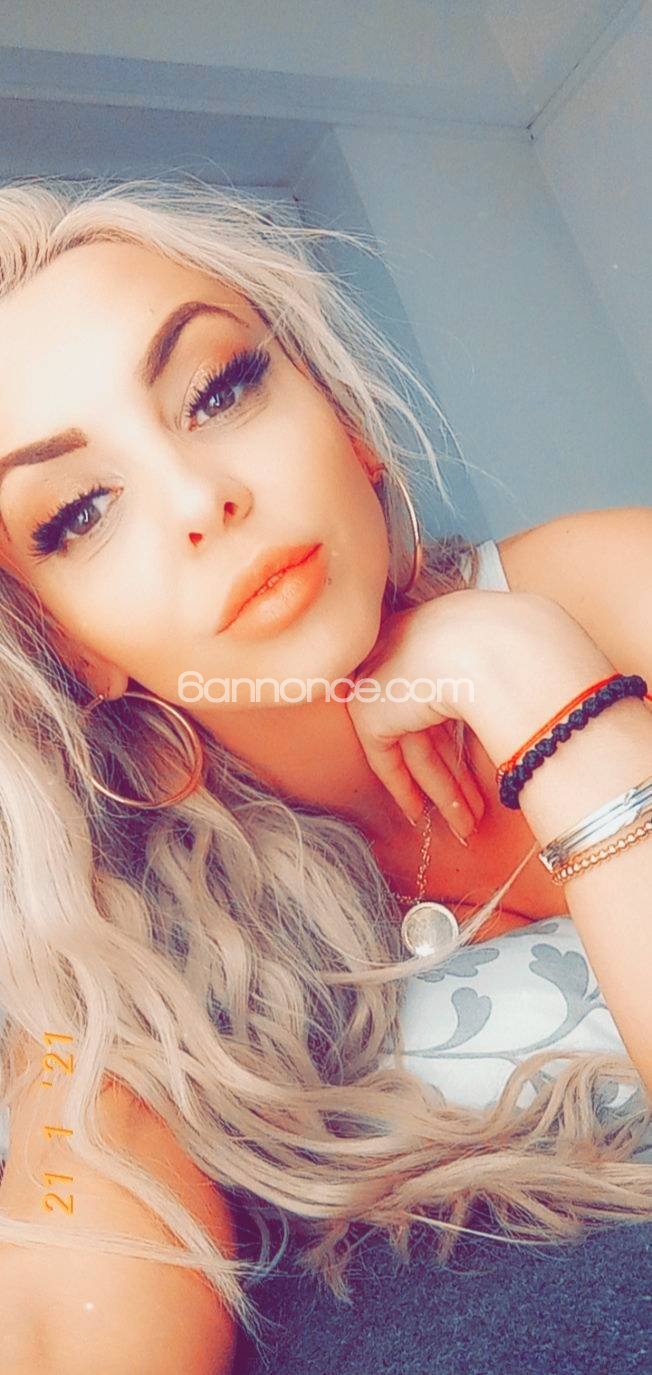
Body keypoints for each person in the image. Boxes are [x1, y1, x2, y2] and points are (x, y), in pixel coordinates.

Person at [0, 174, 649, 1374]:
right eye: (80, 510)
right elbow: (65, 1305)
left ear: (345, 423)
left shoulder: (613, 589)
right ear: (70, 645)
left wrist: (547, 699)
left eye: (219, 390)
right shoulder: (128, 935)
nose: (201, 499)